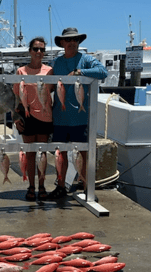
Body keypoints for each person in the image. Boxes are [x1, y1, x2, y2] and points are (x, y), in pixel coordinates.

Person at [47, 28, 108, 200]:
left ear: (78, 42)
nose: (72, 42)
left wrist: (79, 72)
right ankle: (60, 186)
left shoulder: (86, 59)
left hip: (80, 118)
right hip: (59, 118)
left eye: (75, 39)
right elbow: (47, 85)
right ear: (62, 43)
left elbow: (103, 72)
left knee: (84, 154)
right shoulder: (56, 63)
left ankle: (87, 187)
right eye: (68, 40)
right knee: (60, 155)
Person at [13, 37, 53, 201]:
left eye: (42, 50)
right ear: (30, 51)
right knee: (30, 155)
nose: (39, 52)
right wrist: (15, 117)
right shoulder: (21, 71)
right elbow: (16, 96)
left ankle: (42, 185)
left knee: (42, 154)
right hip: (27, 116)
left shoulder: (50, 71)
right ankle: (31, 186)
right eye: (36, 49)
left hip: (45, 116)